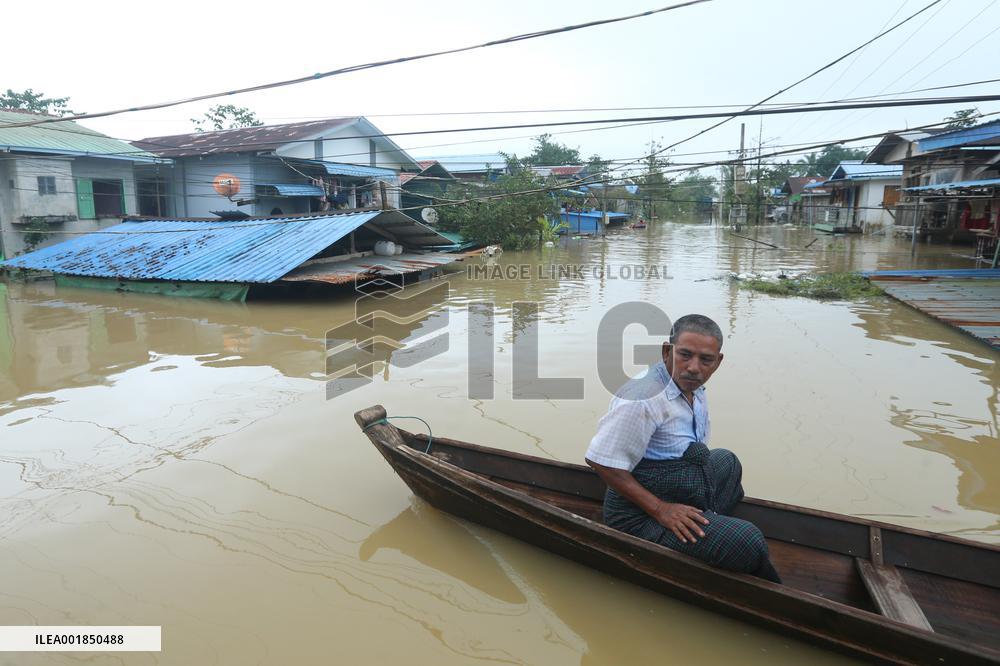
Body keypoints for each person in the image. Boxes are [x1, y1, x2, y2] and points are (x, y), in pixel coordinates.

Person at [585, 314, 781, 583]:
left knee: (727, 462)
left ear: (718, 362)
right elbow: (601, 461)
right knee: (748, 541)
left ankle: (700, 529)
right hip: (637, 515)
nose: (694, 367)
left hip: (676, 487)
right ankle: (705, 537)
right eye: (685, 355)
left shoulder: (694, 387)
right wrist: (661, 510)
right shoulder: (643, 398)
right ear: (667, 351)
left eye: (706, 360)